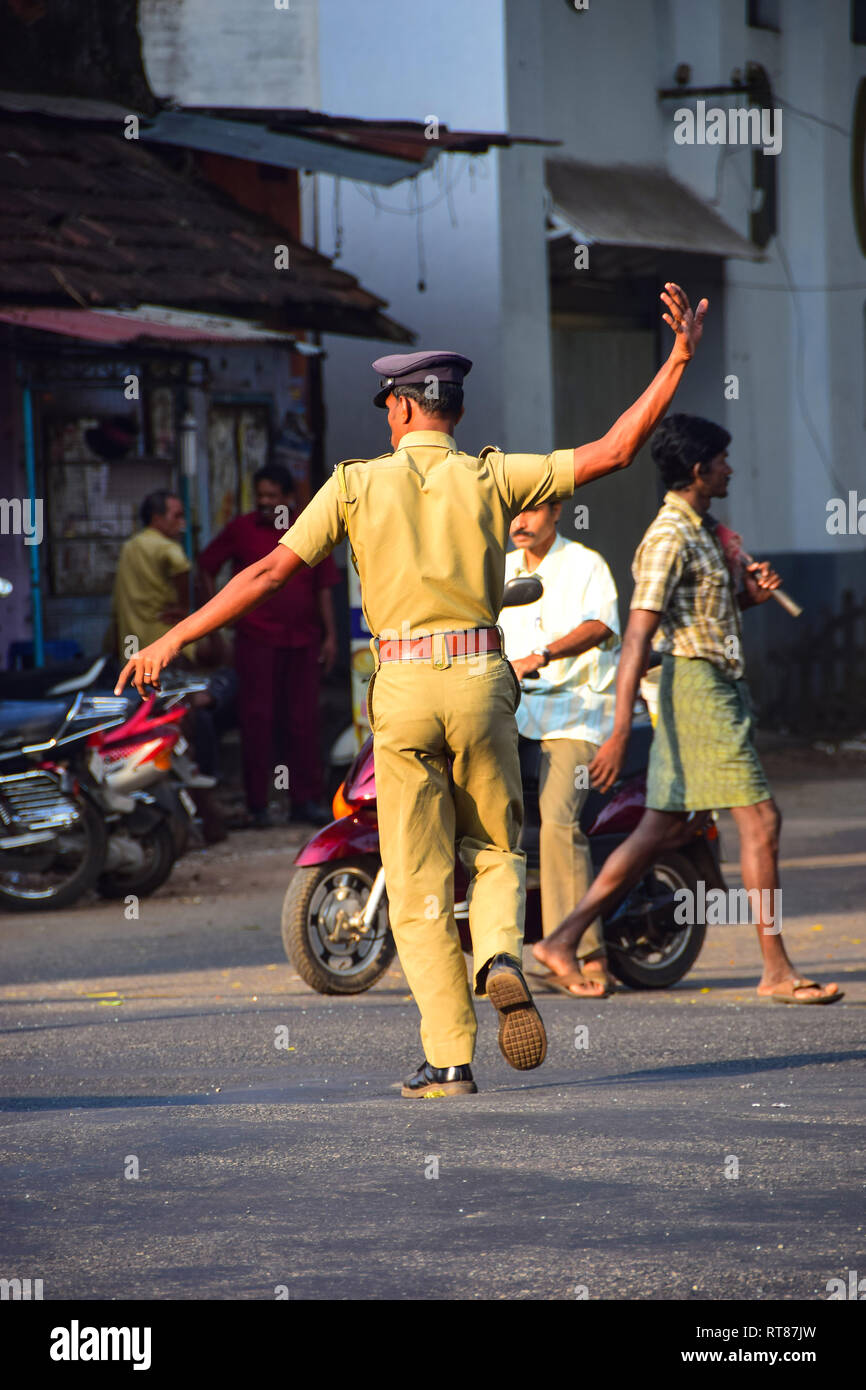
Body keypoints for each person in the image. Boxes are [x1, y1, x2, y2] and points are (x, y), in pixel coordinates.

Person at [115, 284, 709, 1096]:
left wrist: (175, 638)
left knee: (419, 875)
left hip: (401, 687)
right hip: (481, 679)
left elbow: (268, 569)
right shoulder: (497, 477)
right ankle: (501, 952)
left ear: (399, 409)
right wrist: (675, 359)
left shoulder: (355, 486)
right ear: (452, 411)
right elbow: (609, 452)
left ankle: (449, 1059)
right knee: (497, 847)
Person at [533, 413, 842, 1006]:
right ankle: (776, 969)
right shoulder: (670, 537)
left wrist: (746, 597)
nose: (730, 468)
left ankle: (562, 940)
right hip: (697, 693)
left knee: (663, 828)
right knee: (762, 822)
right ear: (699, 471)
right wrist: (620, 728)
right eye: (722, 461)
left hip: (710, 685)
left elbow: (697, 622)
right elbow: (637, 638)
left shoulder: (704, 529)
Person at [499, 502, 620, 997]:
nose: (520, 523)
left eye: (532, 512)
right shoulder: (500, 568)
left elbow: (603, 626)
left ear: (556, 513)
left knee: (558, 822)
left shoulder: (585, 564)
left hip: (573, 709)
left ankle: (582, 951)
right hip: (509, 709)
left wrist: (542, 654)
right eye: (514, 514)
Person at [197, 464, 340, 827]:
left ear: (288, 499)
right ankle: (258, 805)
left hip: (303, 640)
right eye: (261, 495)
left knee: (303, 722)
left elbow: (323, 586)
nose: (265, 502)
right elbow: (206, 566)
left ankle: (304, 801)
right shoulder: (241, 529)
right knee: (257, 721)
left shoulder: (309, 526)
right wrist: (216, 626)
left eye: (272, 496)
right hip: (256, 640)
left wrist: (331, 635)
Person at [110, 490, 190, 655]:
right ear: (157, 519)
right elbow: (182, 567)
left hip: (131, 646)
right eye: (177, 516)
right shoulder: (165, 546)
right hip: (163, 642)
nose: (182, 523)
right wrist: (184, 608)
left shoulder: (129, 547)